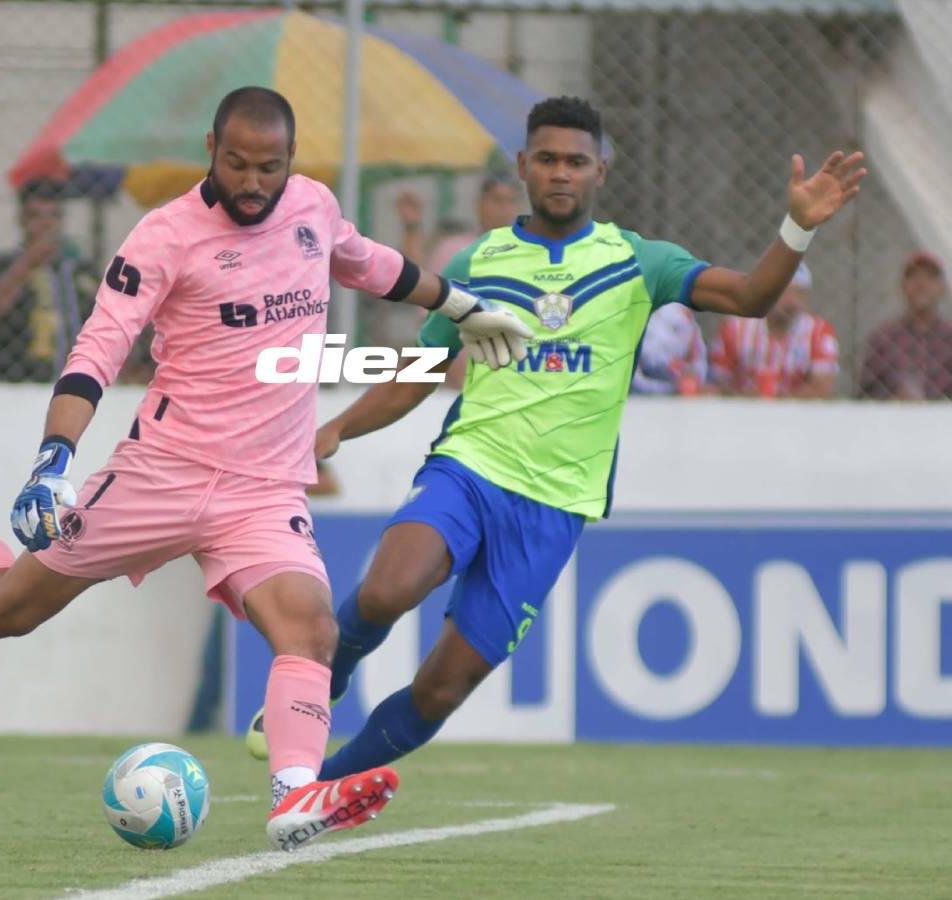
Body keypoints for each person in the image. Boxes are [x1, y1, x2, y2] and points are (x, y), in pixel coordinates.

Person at [0, 87, 530, 851]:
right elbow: (97, 351)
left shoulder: (310, 207)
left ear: (291, 160)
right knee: (4, 613)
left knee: (309, 628)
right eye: (238, 164)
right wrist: (54, 461)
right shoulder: (165, 237)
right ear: (212, 147)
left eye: (269, 168)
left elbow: (372, 265)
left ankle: (294, 798)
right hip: (162, 474)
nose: (252, 183)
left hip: (262, 489)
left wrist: (464, 306)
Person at [245, 96, 865, 780]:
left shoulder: (637, 262)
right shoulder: (484, 260)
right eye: (546, 159)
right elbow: (421, 367)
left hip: (553, 506)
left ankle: (322, 793)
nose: (560, 174)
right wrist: (336, 427)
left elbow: (749, 297)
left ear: (600, 169)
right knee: (386, 591)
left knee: (441, 688)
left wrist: (797, 228)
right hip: (469, 469)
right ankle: (327, 676)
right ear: (523, 166)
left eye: (575, 161)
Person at [0, 179, 99, 383]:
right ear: (21, 220)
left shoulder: (82, 271)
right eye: (35, 216)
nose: (46, 224)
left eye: (53, 216)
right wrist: (28, 263)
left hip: (74, 385)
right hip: (11, 384)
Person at [398, 177, 522, 391]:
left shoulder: (527, 256)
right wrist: (412, 227)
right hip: (454, 377)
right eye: (497, 200)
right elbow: (420, 284)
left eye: (510, 201)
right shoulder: (455, 250)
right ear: (480, 204)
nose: (503, 209)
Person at [709, 262, 838, 399]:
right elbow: (718, 382)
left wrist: (777, 403)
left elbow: (821, 388)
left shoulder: (818, 332)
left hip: (797, 414)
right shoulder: (735, 328)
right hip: (742, 411)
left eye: (800, 294)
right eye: (784, 292)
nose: (792, 301)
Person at [858, 250, 952, 400]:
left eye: (930, 277)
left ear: (942, 287)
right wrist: (893, 399)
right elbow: (864, 393)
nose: (921, 284)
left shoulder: (949, 337)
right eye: (913, 276)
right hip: (893, 419)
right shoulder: (884, 339)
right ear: (902, 285)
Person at [631, 302, 707, 395]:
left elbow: (697, 354)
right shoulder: (633, 312)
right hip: (646, 385)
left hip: (680, 379)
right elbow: (634, 380)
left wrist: (693, 377)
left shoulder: (680, 310)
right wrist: (672, 388)